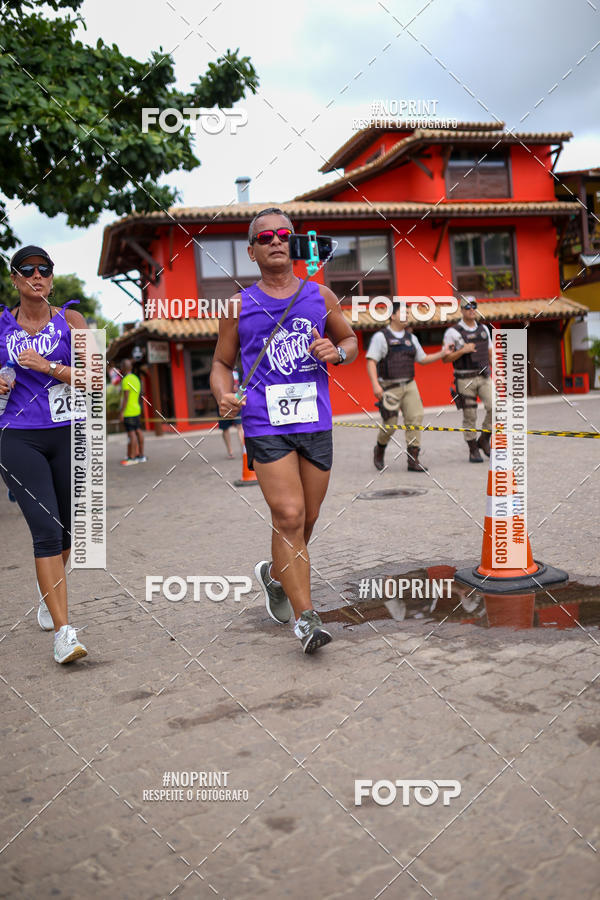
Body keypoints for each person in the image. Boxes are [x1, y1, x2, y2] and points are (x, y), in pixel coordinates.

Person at [210, 208, 358, 654]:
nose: (276, 241)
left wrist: (338, 352)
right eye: (265, 236)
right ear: (252, 251)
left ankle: (275, 577)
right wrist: (223, 394)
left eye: (283, 235)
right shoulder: (236, 306)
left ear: (293, 245)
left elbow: (350, 341)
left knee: (307, 521)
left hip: (315, 421)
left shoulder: (321, 296)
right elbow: (220, 363)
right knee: (289, 516)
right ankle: (307, 619)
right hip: (264, 422)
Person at [0, 245, 89, 664]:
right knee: (48, 531)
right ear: (15, 279)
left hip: (66, 433)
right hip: (16, 437)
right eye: (29, 271)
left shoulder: (72, 321)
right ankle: (64, 633)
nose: (38, 276)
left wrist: (46, 366)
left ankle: (46, 592)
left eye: (45, 270)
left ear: (52, 278)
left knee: (70, 533)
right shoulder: (0, 325)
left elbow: (91, 376)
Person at [366, 301, 448, 472]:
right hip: (389, 387)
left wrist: (442, 353)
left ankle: (413, 460)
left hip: (410, 385)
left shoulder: (411, 338)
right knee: (390, 424)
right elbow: (371, 361)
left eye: (408, 314)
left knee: (415, 419)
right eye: (403, 313)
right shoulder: (381, 337)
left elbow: (423, 359)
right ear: (393, 315)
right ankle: (379, 449)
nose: (407, 316)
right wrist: (375, 385)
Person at [442, 296, 493, 463]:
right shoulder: (453, 332)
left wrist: (498, 372)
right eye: (467, 306)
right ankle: (473, 449)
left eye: (474, 306)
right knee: (470, 415)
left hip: (484, 376)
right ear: (461, 310)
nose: (471, 309)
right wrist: (463, 350)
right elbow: (446, 358)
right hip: (464, 378)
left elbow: (490, 353)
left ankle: (484, 439)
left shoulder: (484, 329)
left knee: (496, 407)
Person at [119, 358, 146, 464]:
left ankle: (132, 456)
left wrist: (121, 412)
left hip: (128, 411)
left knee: (131, 434)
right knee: (138, 431)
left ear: (123, 368)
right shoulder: (136, 378)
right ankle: (141, 455)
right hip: (137, 409)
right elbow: (141, 393)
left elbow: (125, 398)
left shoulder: (126, 380)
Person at [217, 365, 244, 457]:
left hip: (236, 400)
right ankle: (231, 451)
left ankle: (242, 449)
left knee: (240, 426)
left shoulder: (239, 370)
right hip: (224, 402)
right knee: (226, 428)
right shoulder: (219, 369)